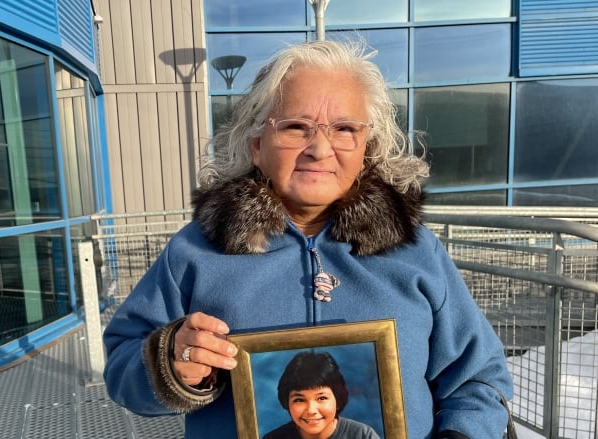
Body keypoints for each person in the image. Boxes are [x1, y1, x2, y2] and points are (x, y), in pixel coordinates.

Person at [103, 39, 513, 438]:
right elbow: (122, 365)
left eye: (344, 128)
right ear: (257, 145)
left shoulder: (416, 251)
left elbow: (478, 379)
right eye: (296, 127)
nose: (320, 148)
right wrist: (172, 361)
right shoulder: (195, 251)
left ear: (366, 148)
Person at [263, 351, 380, 439]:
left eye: (322, 398)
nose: (311, 410)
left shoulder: (363, 436)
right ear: (287, 402)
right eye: (299, 400)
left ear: (338, 399)